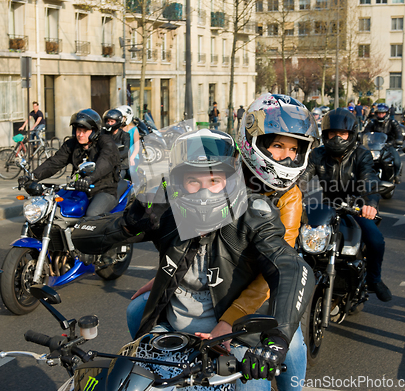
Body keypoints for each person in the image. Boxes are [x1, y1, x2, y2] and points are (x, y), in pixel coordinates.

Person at [71, 128, 314, 387]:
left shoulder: (253, 213)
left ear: (231, 181)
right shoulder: (167, 212)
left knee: (257, 382)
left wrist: (276, 341)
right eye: (193, 181)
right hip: (171, 330)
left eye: (214, 181)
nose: (204, 191)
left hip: (233, 335)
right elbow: (81, 236)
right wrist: (128, 224)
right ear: (178, 182)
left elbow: (292, 268)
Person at [127, 94, 320, 391]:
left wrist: (231, 320)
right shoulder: (222, 165)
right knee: (137, 310)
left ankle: (292, 388)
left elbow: (275, 272)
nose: (285, 156)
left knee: (290, 341)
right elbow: (187, 231)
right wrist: (167, 276)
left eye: (294, 148)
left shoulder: (289, 197)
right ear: (253, 140)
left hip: (252, 291)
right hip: (209, 282)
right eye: (277, 145)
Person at [299, 108, 393, 302]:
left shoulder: (361, 154)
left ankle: (374, 279)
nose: (337, 138)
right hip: (327, 207)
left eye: (342, 133)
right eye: (332, 133)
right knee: (299, 240)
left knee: (376, 240)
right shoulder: (317, 155)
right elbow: (302, 178)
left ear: (351, 134)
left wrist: (370, 204)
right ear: (325, 134)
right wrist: (289, 196)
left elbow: (368, 179)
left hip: (356, 207)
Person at [32, 109, 121, 217]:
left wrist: (89, 179)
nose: (80, 134)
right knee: (54, 208)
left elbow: (105, 162)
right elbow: (54, 162)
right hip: (80, 188)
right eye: (78, 130)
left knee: (92, 214)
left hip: (104, 189)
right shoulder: (72, 144)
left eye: (84, 131)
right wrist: (33, 176)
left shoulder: (105, 142)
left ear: (94, 131)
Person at [363, 103, 404, 183]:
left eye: (383, 113)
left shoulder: (393, 122)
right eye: (379, 113)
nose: (381, 115)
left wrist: (397, 141)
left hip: (389, 146)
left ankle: (396, 175)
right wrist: (361, 138)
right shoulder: (372, 122)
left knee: (396, 162)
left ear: (386, 114)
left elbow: (399, 134)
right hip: (375, 147)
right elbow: (365, 133)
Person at [102, 108, 131, 179]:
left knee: (124, 176)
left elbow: (126, 151)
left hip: (121, 165)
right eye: (108, 121)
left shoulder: (125, 135)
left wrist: (113, 157)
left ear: (118, 122)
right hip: (105, 164)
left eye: (112, 121)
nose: (109, 123)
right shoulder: (103, 134)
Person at [118, 105, 141, 172]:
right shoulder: (116, 129)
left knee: (131, 172)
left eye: (123, 117)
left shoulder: (134, 129)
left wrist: (132, 158)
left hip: (132, 157)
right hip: (120, 158)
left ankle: (136, 183)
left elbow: (137, 147)